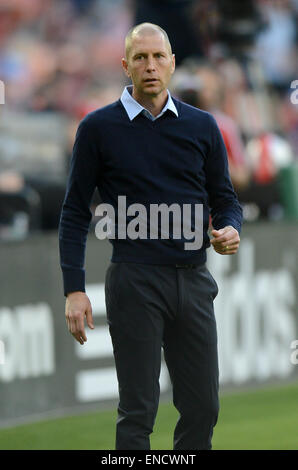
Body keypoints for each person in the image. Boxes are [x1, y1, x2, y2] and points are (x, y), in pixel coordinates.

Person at [58, 22, 242, 450]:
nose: (151, 66)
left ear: (173, 64)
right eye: (140, 57)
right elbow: (72, 212)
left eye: (159, 57)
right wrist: (73, 290)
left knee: (204, 409)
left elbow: (227, 199)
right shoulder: (98, 128)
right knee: (138, 412)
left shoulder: (202, 127)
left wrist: (231, 227)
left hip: (194, 279)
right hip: (135, 280)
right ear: (126, 65)